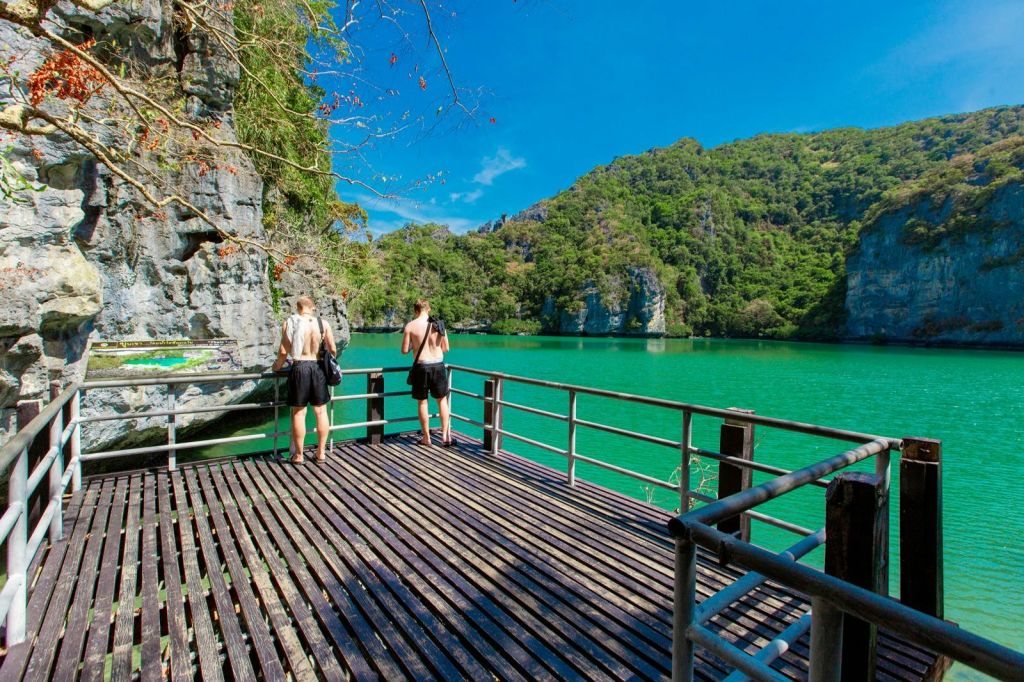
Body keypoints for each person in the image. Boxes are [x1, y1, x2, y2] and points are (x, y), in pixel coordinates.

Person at [271, 296, 336, 463]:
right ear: (312, 307)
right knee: (321, 412)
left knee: (299, 413)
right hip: (318, 368)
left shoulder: (290, 322)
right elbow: (333, 349)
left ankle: (299, 455)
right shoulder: (323, 324)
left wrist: (277, 366)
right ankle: (321, 453)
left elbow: (284, 351)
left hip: (300, 367)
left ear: (298, 307)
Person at [402, 299, 452, 446]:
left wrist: (415, 345)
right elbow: (446, 348)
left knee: (422, 402)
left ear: (415, 310)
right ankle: (446, 437)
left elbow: (404, 350)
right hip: (438, 366)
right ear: (428, 309)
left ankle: (426, 438)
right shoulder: (439, 324)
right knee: (442, 401)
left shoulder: (410, 326)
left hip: (421, 367)